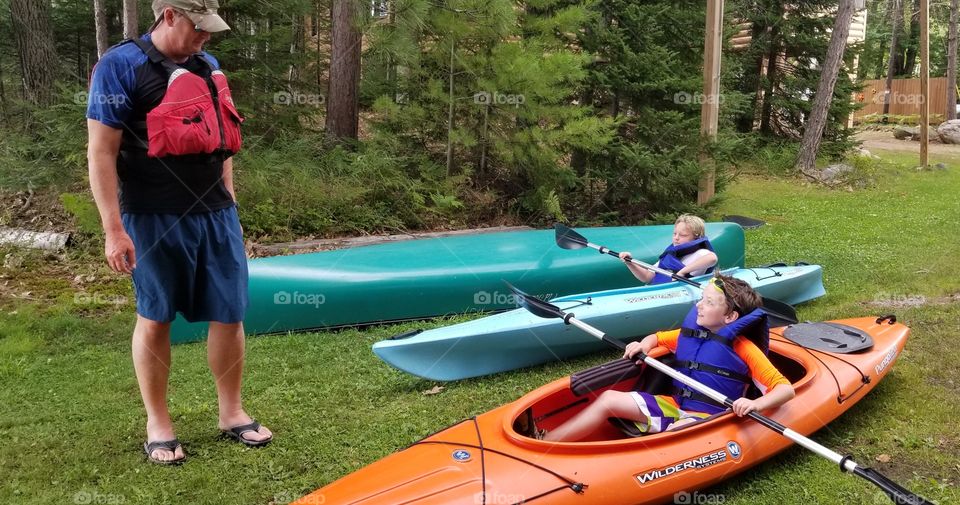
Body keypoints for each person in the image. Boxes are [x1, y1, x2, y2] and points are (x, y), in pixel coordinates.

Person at [86, 0, 271, 465]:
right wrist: (114, 229)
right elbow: (101, 152)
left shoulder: (207, 66)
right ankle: (159, 424)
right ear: (169, 15)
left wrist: (231, 200)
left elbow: (221, 138)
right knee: (156, 315)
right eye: (198, 27)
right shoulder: (119, 67)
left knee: (229, 312)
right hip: (152, 215)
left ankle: (231, 412)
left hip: (215, 213)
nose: (206, 37)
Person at [538, 274, 795, 442]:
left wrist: (754, 405)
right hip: (673, 405)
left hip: (710, 419)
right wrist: (643, 344)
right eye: (701, 300)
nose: (698, 306)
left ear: (730, 317)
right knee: (608, 399)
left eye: (709, 303)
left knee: (674, 435)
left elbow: (784, 389)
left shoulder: (743, 349)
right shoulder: (690, 334)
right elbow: (658, 338)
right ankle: (547, 443)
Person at [619, 214, 718, 285]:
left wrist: (682, 272)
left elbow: (712, 258)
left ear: (696, 238)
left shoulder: (700, 253)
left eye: (683, 235)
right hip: (659, 292)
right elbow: (647, 276)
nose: (676, 238)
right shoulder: (670, 255)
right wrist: (629, 262)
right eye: (675, 234)